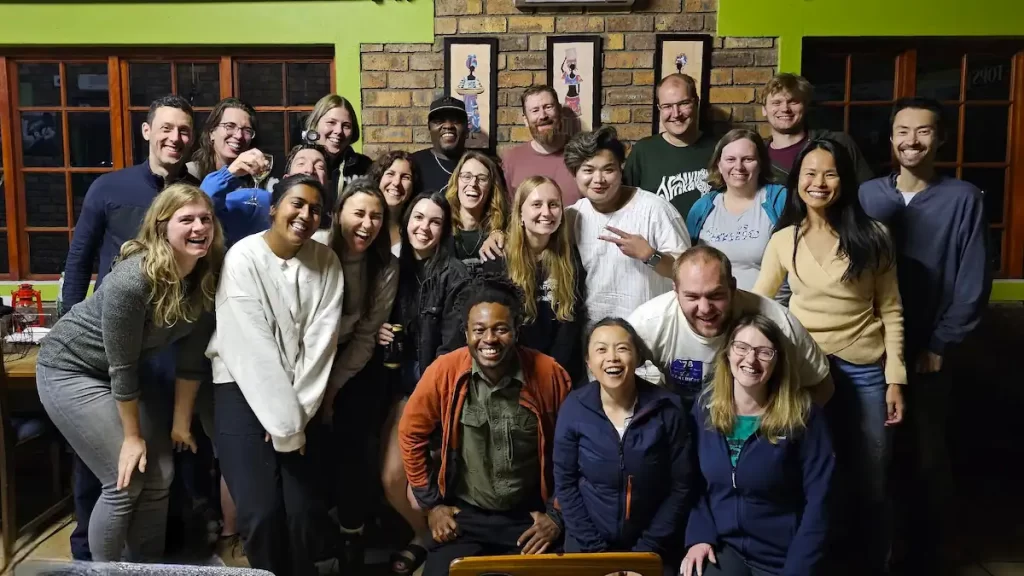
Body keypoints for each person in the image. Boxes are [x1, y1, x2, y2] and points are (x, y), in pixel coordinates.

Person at [36, 183, 222, 562]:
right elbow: (121, 366)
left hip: (122, 375)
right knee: (125, 481)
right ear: (161, 227)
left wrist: (181, 423)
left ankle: (144, 569)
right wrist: (133, 437)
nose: (199, 227)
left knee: (162, 477)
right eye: (186, 219)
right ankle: (103, 572)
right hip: (71, 368)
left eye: (206, 219)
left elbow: (190, 360)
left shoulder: (205, 277)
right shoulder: (133, 279)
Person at [753, 139, 904, 574]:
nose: (819, 183)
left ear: (845, 180)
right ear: (797, 181)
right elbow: (763, 305)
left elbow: (891, 310)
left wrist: (896, 379)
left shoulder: (874, 236)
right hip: (803, 371)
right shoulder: (784, 240)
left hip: (865, 370)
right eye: (810, 174)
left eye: (830, 173)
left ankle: (872, 564)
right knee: (807, 474)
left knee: (872, 477)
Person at [61, 94, 197, 561]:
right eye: (166, 128)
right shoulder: (109, 187)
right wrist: (68, 327)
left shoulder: (194, 194)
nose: (175, 139)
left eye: (183, 131)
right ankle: (87, 554)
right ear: (147, 131)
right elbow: (79, 261)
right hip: (107, 345)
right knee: (105, 458)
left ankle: (148, 557)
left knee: (156, 457)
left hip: (161, 345)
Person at [859, 97, 991, 574]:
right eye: (902, 131)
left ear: (940, 138)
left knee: (928, 456)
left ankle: (929, 556)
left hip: (928, 349)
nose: (911, 141)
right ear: (890, 138)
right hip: (871, 348)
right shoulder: (868, 195)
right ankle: (878, 553)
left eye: (923, 131)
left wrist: (940, 343)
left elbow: (972, 281)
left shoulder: (964, 199)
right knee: (875, 455)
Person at [204, 174, 343, 576]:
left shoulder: (326, 261)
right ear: (273, 208)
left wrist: (291, 417)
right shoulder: (243, 258)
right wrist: (282, 422)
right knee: (261, 513)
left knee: (302, 513)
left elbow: (320, 345)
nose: (305, 215)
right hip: (240, 390)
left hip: (300, 397)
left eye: (315, 209)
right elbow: (252, 348)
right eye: (296, 204)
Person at [399, 274, 572, 576]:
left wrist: (556, 515)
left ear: (516, 332)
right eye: (479, 330)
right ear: (466, 333)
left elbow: (574, 449)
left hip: (529, 516)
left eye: (501, 329)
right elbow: (411, 434)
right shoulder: (445, 372)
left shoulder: (548, 373)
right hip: (465, 516)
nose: (489, 339)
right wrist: (432, 506)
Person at [682, 314, 834, 576]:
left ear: (777, 362)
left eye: (764, 352)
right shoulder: (704, 409)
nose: (750, 360)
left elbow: (821, 501)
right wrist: (699, 535)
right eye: (741, 348)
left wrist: (799, 568)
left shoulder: (804, 416)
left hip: (785, 554)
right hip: (724, 546)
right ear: (728, 354)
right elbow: (692, 482)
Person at [377, 191, 469, 575]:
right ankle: (423, 535)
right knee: (391, 479)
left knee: (402, 476)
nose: (424, 227)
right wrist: (377, 331)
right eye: (418, 218)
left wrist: (423, 400)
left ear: (444, 228)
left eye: (434, 221)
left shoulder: (456, 274)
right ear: (405, 221)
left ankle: (428, 538)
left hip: (431, 392)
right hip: (389, 386)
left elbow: (451, 351)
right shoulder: (390, 268)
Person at [554, 318, 691, 576]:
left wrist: (643, 555)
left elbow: (681, 487)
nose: (612, 358)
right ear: (588, 362)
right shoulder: (574, 407)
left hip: (654, 544)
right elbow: (566, 484)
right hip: (587, 544)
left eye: (622, 348)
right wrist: (598, 556)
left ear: (637, 357)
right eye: (601, 349)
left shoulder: (667, 408)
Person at [627, 246, 832, 406]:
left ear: (733, 287)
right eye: (692, 297)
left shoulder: (777, 321)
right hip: (682, 420)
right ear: (676, 290)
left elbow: (821, 386)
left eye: (715, 295)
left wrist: (782, 425)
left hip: (756, 421)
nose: (705, 309)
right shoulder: (650, 321)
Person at [323, 178, 400, 565]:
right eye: (359, 214)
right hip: (305, 358)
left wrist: (332, 390)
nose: (367, 224)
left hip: (352, 359)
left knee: (356, 444)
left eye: (375, 216)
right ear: (338, 216)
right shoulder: (317, 249)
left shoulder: (385, 265)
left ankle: (352, 533)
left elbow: (369, 333)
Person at [564, 126, 691, 332]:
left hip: (650, 331)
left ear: (621, 169)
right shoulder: (571, 216)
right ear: (575, 173)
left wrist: (651, 255)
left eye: (608, 169)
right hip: (594, 336)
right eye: (588, 170)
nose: (598, 179)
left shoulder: (655, 210)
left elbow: (687, 275)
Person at [481, 176, 586, 384]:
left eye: (553, 204)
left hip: (560, 371)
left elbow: (570, 323)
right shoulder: (498, 259)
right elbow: (498, 325)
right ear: (520, 213)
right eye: (536, 204)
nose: (546, 212)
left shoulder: (570, 259)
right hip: (511, 371)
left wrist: (553, 371)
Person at [686, 129, 786, 290]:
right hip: (715, 309)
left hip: (768, 308)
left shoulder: (779, 200)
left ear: (761, 163)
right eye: (730, 159)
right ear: (719, 164)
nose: (738, 167)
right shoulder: (702, 208)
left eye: (748, 159)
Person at [624, 73, 716, 217]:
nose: (676, 114)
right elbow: (625, 206)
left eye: (683, 103)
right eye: (667, 106)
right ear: (659, 108)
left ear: (696, 102)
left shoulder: (720, 150)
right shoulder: (643, 151)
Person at [761, 73, 873, 182]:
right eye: (776, 103)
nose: (785, 108)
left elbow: (868, 193)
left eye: (793, 102)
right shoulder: (758, 156)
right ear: (764, 110)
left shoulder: (840, 142)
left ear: (806, 106)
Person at [500, 85, 581, 206]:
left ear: (559, 111)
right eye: (535, 110)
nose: (543, 116)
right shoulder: (511, 160)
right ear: (526, 120)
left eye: (548, 107)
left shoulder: (581, 154)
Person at [304, 94, 372, 218]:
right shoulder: (297, 162)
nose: (338, 131)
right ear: (315, 123)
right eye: (331, 122)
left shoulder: (365, 167)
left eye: (346, 126)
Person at [445, 151, 509, 268]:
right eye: (466, 176)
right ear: (457, 182)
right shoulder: (441, 228)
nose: (473, 183)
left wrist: (500, 234)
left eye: (482, 178)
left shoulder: (502, 232)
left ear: (491, 187)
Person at [188, 98, 258, 182]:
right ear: (212, 133)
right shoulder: (191, 174)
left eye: (246, 130)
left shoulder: (253, 178)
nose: (239, 136)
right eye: (230, 126)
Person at [411, 96, 468, 194]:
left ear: (466, 127)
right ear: (429, 127)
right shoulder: (413, 164)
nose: (448, 126)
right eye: (439, 121)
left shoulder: (482, 165)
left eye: (456, 120)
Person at [368, 150, 419, 256]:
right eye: (390, 174)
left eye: (405, 177)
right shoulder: (364, 222)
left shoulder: (417, 228)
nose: (396, 183)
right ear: (378, 178)